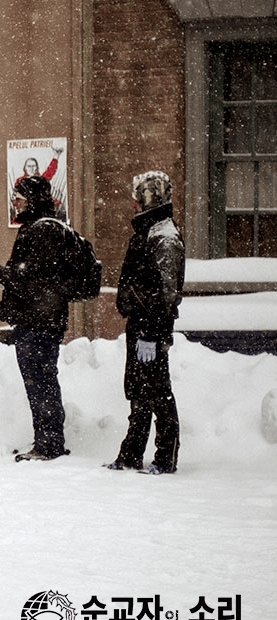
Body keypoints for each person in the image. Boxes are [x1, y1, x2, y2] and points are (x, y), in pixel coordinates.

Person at [0, 174, 74, 461]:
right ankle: (47, 440)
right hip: (42, 319)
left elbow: (33, 279)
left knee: (40, 381)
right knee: (42, 380)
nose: (15, 202)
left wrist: (3, 275)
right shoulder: (45, 227)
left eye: (20, 198)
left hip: (40, 323)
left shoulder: (41, 231)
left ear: (32, 200)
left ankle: (48, 445)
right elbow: (33, 279)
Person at [107, 171, 184, 474]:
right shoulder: (149, 231)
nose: (134, 204)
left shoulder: (164, 236)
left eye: (138, 197)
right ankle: (131, 454)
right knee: (139, 391)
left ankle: (166, 457)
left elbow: (165, 294)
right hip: (140, 326)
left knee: (158, 391)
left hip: (151, 329)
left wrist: (151, 333)